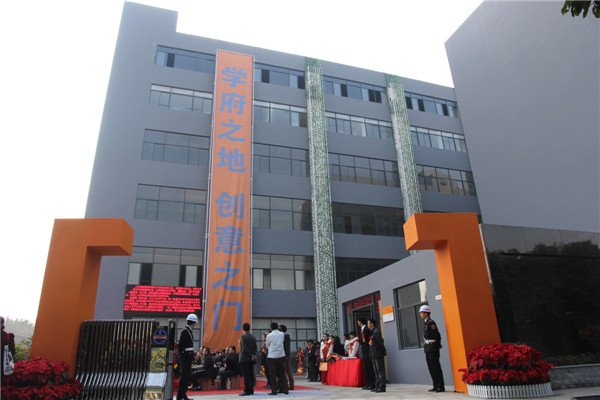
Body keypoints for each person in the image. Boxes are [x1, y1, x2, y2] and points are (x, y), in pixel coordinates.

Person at [419, 305, 445, 393]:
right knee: (431, 367)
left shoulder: (431, 323)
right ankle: (435, 385)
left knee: (436, 366)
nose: (420, 314)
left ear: (426, 313)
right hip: (427, 347)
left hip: (433, 347)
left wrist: (437, 346)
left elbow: (437, 335)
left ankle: (440, 386)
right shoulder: (426, 323)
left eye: (421, 313)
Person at [177, 313, 198, 400]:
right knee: (184, 377)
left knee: (186, 376)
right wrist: (183, 355)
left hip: (188, 356)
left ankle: (183, 394)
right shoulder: (185, 331)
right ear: (194, 322)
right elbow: (180, 346)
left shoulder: (188, 331)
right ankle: (180, 396)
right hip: (185, 357)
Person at [265, 322, 288, 395]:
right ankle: (285, 389)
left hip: (272, 356)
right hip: (281, 355)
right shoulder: (282, 334)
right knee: (282, 373)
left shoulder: (269, 335)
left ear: (271, 328)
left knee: (273, 374)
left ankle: (274, 390)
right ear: (277, 327)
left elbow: (267, 345)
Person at [368, 318, 386, 393]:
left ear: (372, 324)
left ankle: (381, 387)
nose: (368, 325)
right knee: (376, 371)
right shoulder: (372, 332)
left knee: (380, 370)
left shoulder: (376, 332)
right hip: (374, 354)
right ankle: (378, 385)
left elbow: (380, 343)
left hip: (378, 354)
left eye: (368, 323)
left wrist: (383, 351)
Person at [239, 322, 257, 396]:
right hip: (251, 359)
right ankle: (251, 389)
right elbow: (255, 348)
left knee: (246, 375)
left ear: (243, 329)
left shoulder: (243, 337)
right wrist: (253, 355)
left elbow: (244, 348)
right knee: (251, 374)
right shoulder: (253, 337)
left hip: (245, 358)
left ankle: (246, 390)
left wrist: (250, 355)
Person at [357, 317, 375, 390]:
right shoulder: (361, 330)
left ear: (360, 322)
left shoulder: (367, 329)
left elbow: (368, 341)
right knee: (366, 368)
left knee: (369, 367)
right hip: (364, 351)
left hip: (367, 351)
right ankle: (368, 383)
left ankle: (372, 383)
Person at [279, 324, 295, 390]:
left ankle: (287, 384)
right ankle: (291, 384)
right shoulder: (286, 337)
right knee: (288, 370)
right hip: (287, 355)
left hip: (284, 355)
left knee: (285, 371)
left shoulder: (283, 337)